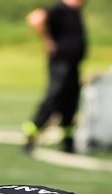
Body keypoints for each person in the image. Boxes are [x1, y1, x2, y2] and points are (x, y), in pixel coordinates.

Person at [23, 0, 86, 154]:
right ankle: (31, 135)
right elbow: (35, 18)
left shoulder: (74, 12)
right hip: (60, 65)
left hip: (72, 66)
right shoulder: (60, 10)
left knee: (70, 103)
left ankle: (68, 142)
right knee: (53, 98)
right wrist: (47, 40)